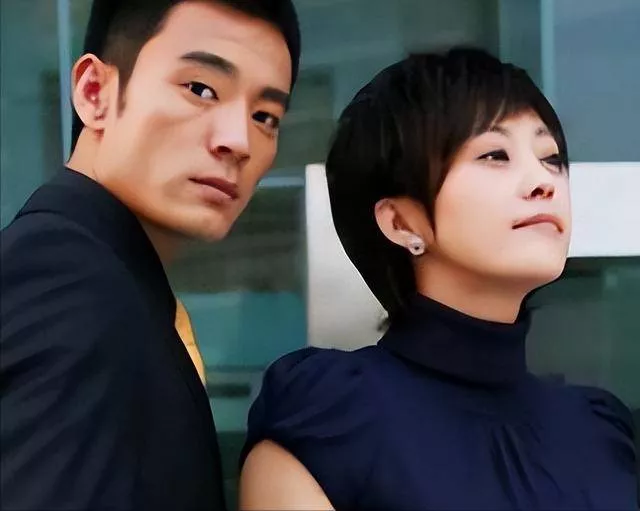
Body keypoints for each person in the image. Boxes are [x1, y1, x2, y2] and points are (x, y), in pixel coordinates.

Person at [239, 48, 638, 509]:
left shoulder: (597, 429)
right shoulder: (329, 416)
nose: (543, 182)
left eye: (551, 158)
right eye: (495, 154)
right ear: (400, 222)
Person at [0, 0, 299, 508]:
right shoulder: (66, 281)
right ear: (95, 93)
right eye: (200, 89)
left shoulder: (108, 278)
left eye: (265, 116)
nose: (239, 141)